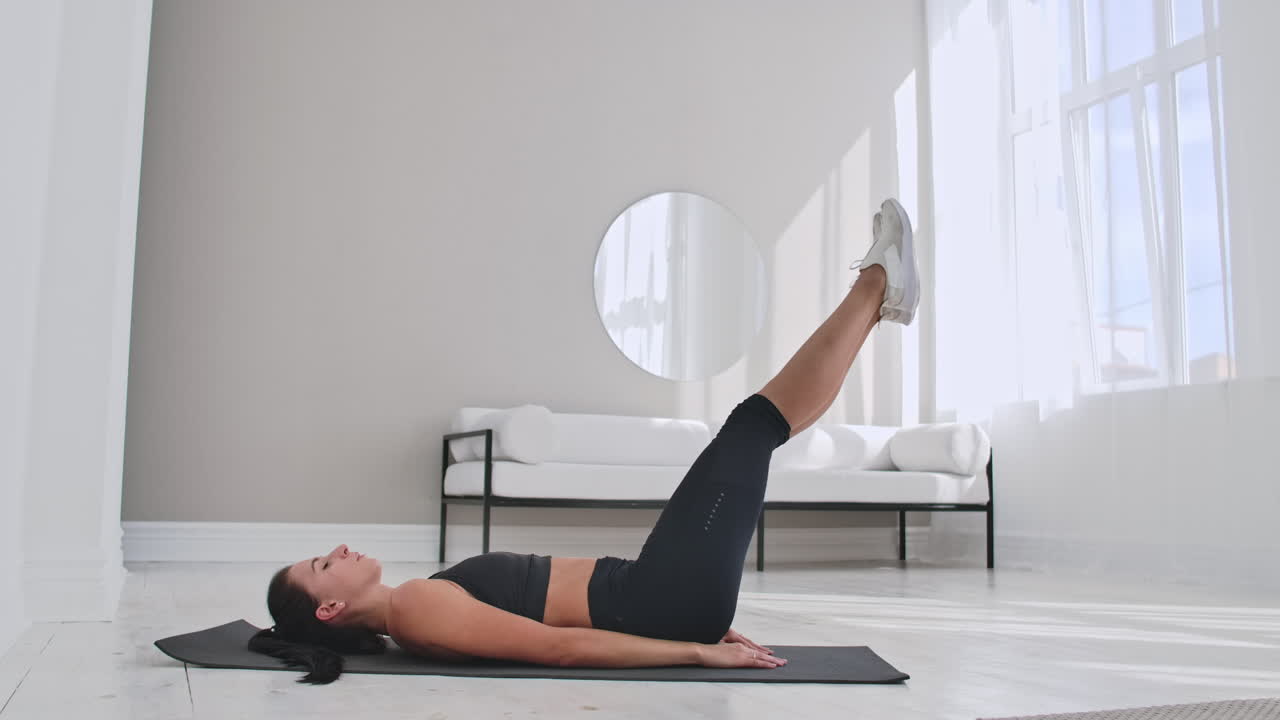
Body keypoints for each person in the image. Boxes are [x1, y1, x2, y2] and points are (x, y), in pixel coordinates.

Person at [249, 199, 919, 683]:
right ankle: (877, 285)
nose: (335, 551)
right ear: (332, 608)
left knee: (754, 430)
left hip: (662, 597)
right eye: (320, 565)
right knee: (753, 427)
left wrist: (696, 627)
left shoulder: (420, 605)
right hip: (662, 601)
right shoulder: (417, 607)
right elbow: (556, 648)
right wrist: (695, 649)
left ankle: (882, 293)